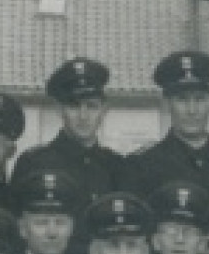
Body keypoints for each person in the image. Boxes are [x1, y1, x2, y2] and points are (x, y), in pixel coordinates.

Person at [13, 58, 129, 204]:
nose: (83, 116)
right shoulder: (34, 164)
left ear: (104, 109)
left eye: (92, 106)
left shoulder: (116, 166)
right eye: (74, 106)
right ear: (59, 109)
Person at [126, 51, 209, 199]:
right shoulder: (141, 166)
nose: (192, 110)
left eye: (199, 99)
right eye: (182, 100)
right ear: (167, 104)